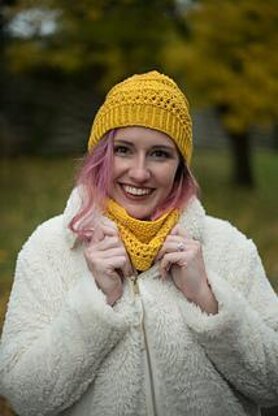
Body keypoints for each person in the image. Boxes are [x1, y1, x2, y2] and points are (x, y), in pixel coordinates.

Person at [0, 71, 277, 416]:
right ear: (101, 155)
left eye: (160, 154)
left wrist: (207, 298)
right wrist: (98, 302)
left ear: (180, 167)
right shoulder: (50, 248)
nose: (140, 172)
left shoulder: (229, 247)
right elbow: (24, 395)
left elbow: (271, 384)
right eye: (124, 150)